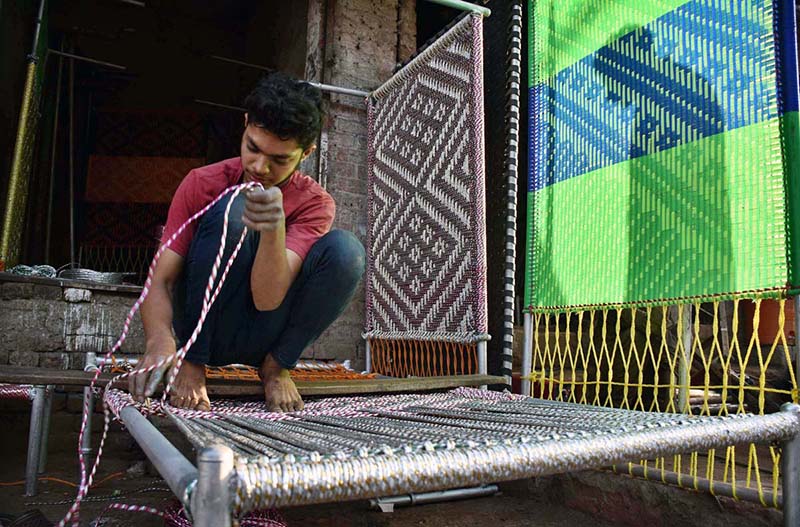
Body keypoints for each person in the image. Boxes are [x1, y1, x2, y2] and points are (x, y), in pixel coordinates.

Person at [128, 72, 366, 412]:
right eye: (253, 147)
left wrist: (274, 227)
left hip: (266, 331)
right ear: (245, 125)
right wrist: (160, 341)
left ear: (306, 153)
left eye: (280, 159)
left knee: (347, 252)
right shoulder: (202, 183)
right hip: (206, 329)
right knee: (234, 205)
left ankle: (277, 368)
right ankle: (194, 362)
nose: (259, 166)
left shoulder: (315, 203)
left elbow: (267, 299)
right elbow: (161, 279)